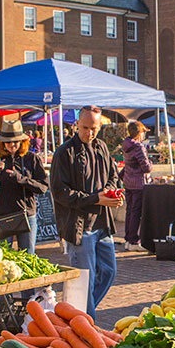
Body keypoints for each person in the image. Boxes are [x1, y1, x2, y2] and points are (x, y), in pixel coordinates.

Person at [51, 106, 122, 318]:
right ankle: (87, 325)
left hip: (102, 223)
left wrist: (111, 193)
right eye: (84, 128)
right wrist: (95, 199)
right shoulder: (64, 152)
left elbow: (113, 176)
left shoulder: (101, 147)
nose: (89, 133)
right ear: (76, 125)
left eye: (93, 128)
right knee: (85, 280)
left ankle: (79, 313)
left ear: (100, 127)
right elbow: (60, 192)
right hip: (80, 226)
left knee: (109, 272)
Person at [0, 120, 48, 253]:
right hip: (3, 216)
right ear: (2, 142)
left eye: (16, 141)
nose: (12, 144)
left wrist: (20, 179)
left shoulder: (31, 158)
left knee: (28, 256)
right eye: (8, 141)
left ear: (22, 141)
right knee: (4, 258)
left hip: (26, 214)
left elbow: (43, 187)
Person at [121, 121, 153, 251]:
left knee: (130, 211)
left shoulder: (126, 144)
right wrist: (150, 163)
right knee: (136, 212)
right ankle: (133, 240)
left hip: (128, 181)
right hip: (138, 183)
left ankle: (128, 239)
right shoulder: (138, 147)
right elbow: (146, 167)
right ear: (139, 133)